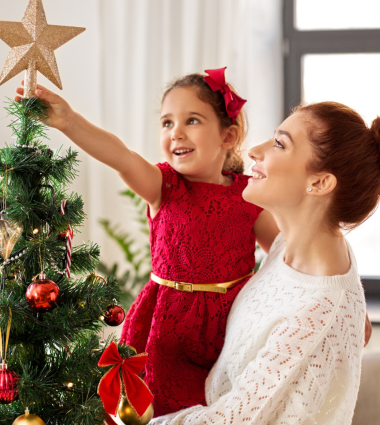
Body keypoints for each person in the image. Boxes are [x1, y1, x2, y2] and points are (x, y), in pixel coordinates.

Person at [17, 68, 280, 416]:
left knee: (223, 412)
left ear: (228, 136)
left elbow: (287, 257)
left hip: (232, 327)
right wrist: (70, 121)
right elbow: (121, 157)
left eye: (193, 121)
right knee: (159, 412)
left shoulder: (250, 196)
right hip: (165, 330)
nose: (177, 133)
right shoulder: (163, 185)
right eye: (167, 123)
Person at [149, 101, 380, 425]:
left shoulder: (314, 316)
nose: (255, 151)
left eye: (279, 144)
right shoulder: (294, 243)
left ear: (319, 183)